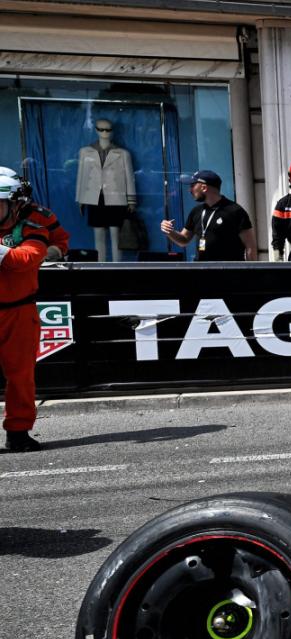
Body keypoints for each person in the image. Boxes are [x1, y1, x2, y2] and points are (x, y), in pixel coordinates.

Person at [1, 168, 67, 452]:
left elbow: (29, 256)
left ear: (14, 202)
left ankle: (18, 431)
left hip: (17, 310)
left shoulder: (35, 224)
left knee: (21, 375)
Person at [75, 118, 135, 262]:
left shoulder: (123, 153)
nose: (105, 133)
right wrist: (81, 199)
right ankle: (100, 265)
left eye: (108, 130)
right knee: (98, 234)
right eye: (101, 129)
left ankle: (117, 266)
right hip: (94, 198)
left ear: (112, 131)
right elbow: (81, 176)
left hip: (116, 197)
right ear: (96, 130)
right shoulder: (85, 152)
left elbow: (129, 177)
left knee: (116, 234)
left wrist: (131, 200)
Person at [160, 170, 254, 261]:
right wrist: (170, 232)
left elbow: (250, 246)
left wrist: (252, 273)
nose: (190, 190)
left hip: (228, 272)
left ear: (204, 188)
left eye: (193, 185)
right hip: (202, 271)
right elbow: (184, 240)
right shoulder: (196, 211)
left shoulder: (235, 211)